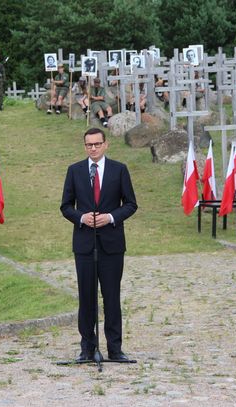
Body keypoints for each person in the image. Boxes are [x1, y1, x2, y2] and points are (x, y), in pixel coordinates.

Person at [60, 127, 138, 362]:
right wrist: (82, 218)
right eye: (88, 145)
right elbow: (65, 206)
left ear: (106, 144)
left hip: (112, 245)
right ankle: (87, 348)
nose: (93, 148)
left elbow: (131, 204)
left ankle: (115, 349)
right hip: (84, 244)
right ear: (84, 146)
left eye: (97, 144)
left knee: (111, 296)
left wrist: (111, 217)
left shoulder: (119, 170)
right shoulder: (74, 171)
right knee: (87, 297)